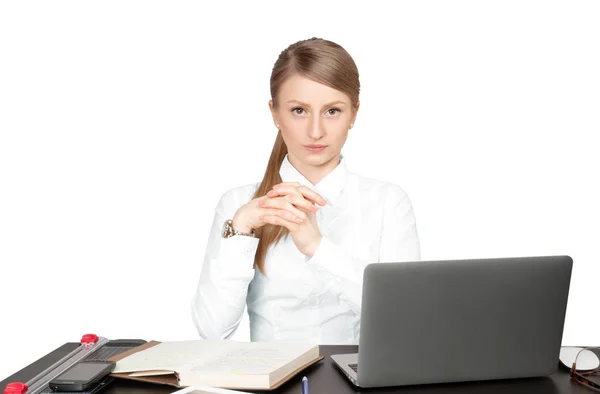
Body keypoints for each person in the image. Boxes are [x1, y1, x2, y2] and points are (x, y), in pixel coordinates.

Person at [191, 37, 421, 344]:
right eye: (299, 110)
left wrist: (316, 246)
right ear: (275, 113)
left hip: (358, 385)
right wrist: (241, 230)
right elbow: (212, 330)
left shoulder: (388, 202)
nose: (315, 131)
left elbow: (405, 317)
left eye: (332, 111)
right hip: (270, 386)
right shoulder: (238, 204)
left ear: (354, 114)